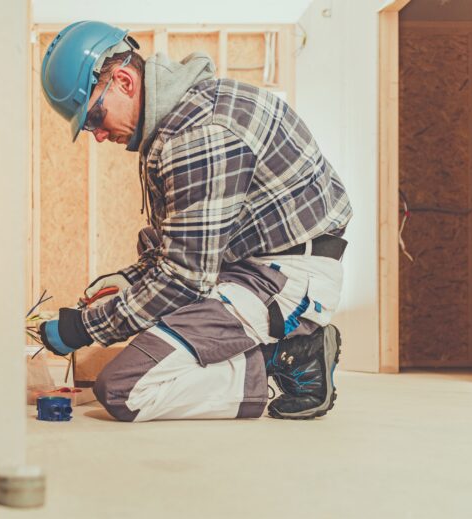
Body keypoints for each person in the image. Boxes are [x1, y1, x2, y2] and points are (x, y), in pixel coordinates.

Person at [37, 21, 352, 422]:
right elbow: (185, 247)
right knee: (147, 321)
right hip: (247, 266)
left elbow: (184, 279)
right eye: (87, 127)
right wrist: (127, 280)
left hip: (283, 277)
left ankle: (288, 357)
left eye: (95, 116)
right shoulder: (179, 121)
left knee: (124, 391)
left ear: (124, 81)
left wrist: (83, 329)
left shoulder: (198, 135)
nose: (97, 135)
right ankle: (275, 352)